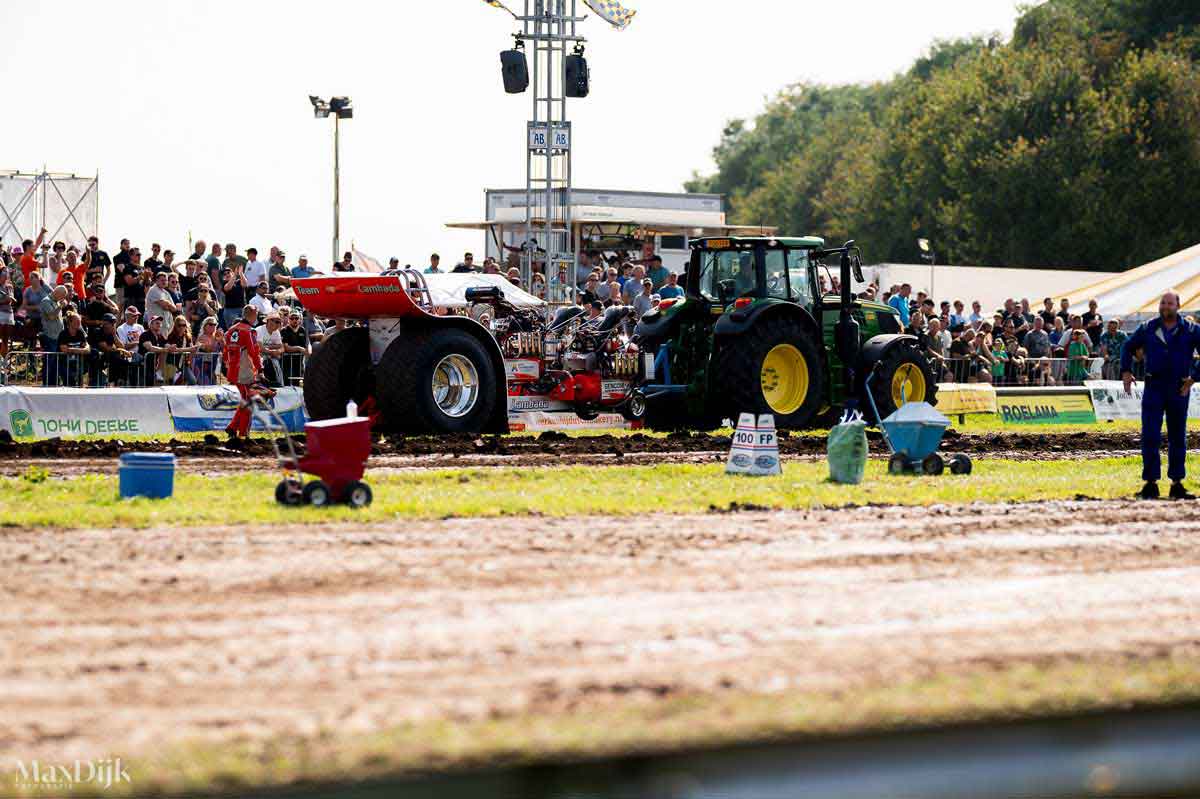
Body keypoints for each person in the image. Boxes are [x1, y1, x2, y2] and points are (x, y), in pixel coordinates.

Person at [1121, 292, 1200, 500]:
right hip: (1154, 386)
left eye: (1170, 303)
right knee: (1150, 436)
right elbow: (1127, 346)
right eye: (1163, 303)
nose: (1165, 306)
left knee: (1177, 437)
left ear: (1178, 305)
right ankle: (1150, 484)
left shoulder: (1191, 329)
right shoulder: (1148, 327)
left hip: (1178, 388)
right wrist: (1126, 371)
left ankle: (1177, 484)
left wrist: (1193, 378)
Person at [223, 305, 265, 438]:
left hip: (233, 369)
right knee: (249, 401)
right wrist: (260, 369)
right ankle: (241, 431)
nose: (257, 317)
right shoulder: (250, 331)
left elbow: (225, 352)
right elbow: (254, 352)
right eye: (256, 314)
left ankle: (233, 428)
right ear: (252, 315)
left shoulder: (230, 330)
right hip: (245, 370)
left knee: (246, 400)